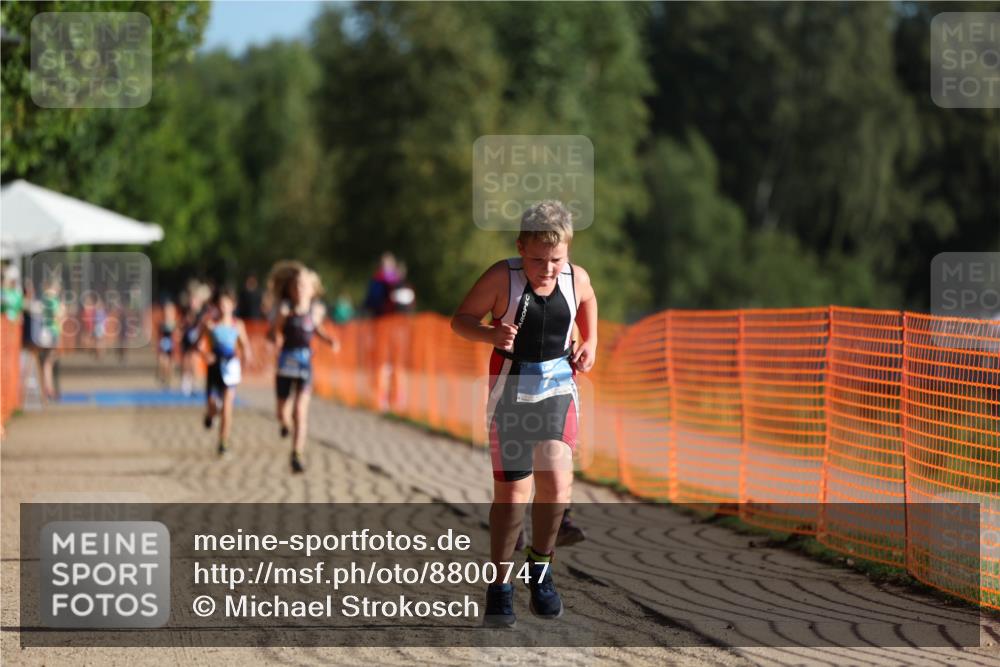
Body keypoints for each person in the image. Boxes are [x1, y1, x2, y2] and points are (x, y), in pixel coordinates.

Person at [451, 200, 598, 628]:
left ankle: (541, 566)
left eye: (556, 260)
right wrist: (489, 333)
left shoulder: (576, 277)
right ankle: (500, 587)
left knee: (555, 476)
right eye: (537, 260)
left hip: (558, 388)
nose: (547, 269)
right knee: (513, 497)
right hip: (511, 394)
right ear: (520, 248)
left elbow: (588, 300)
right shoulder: (504, 277)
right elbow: (459, 321)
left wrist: (591, 342)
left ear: (567, 252)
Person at [267, 262, 339, 473]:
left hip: (305, 365)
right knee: (283, 412)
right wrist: (276, 335)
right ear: (290, 289)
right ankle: (285, 424)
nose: (299, 289)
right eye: (296, 285)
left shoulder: (315, 312)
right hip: (285, 363)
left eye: (303, 285)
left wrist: (330, 341)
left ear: (312, 289)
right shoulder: (284, 310)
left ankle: (297, 453)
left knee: (301, 410)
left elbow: (318, 329)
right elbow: (272, 333)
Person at [199, 288, 252, 455]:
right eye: (220, 304)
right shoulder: (210, 324)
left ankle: (223, 442)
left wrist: (244, 361)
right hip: (214, 369)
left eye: (227, 304)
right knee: (214, 404)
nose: (223, 307)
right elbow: (199, 345)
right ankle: (209, 415)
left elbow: (245, 347)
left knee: (227, 407)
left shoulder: (238, 325)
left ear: (233, 306)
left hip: (230, 368)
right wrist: (206, 355)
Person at [157, 301, 179, 387]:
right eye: (166, 311)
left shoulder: (175, 323)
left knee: (171, 363)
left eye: (170, 311)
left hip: (172, 345)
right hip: (164, 344)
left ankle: (169, 379)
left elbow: (177, 335)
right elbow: (159, 336)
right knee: (163, 361)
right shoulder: (162, 323)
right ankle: (164, 376)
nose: (168, 313)